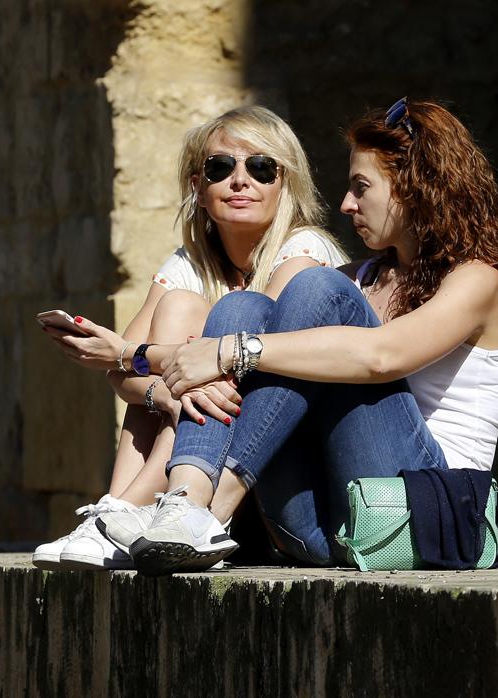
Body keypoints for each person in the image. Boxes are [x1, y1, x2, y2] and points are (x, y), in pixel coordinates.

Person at [92, 98, 498, 575]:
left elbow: (383, 357)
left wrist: (230, 351)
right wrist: (130, 357)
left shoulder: (477, 280)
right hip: (322, 526)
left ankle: (212, 505)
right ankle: (187, 498)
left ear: (415, 188)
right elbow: (231, 344)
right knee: (242, 306)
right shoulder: (362, 278)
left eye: (361, 188)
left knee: (316, 287)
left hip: (420, 515)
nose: (346, 205)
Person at [35, 105, 347, 570]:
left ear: (287, 185)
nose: (241, 181)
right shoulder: (189, 264)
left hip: (286, 484)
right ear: (197, 188)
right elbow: (123, 378)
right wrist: (170, 391)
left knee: (221, 339)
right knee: (179, 313)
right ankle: (125, 508)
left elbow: (248, 372)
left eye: (262, 168)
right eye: (221, 168)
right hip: (211, 480)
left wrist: (141, 362)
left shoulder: (304, 254)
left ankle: (125, 514)